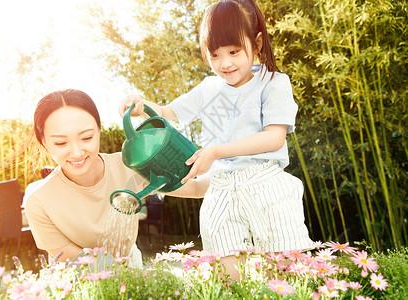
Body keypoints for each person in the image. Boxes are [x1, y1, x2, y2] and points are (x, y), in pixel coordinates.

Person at [119, 0, 314, 279]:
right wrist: (140, 105)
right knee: (227, 277)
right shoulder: (208, 88)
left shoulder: (273, 83)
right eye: (215, 55)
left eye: (234, 51)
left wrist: (216, 152)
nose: (225, 63)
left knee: (286, 273)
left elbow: (274, 138)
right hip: (220, 189)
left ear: (257, 44)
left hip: (266, 184)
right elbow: (164, 113)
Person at [23, 89, 153, 268]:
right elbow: (81, 263)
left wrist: (149, 111)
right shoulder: (39, 202)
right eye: (61, 143)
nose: (76, 153)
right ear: (44, 142)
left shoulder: (129, 166)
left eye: (87, 137)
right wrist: (138, 278)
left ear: (99, 131)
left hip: (132, 269)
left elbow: (194, 186)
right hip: (80, 281)